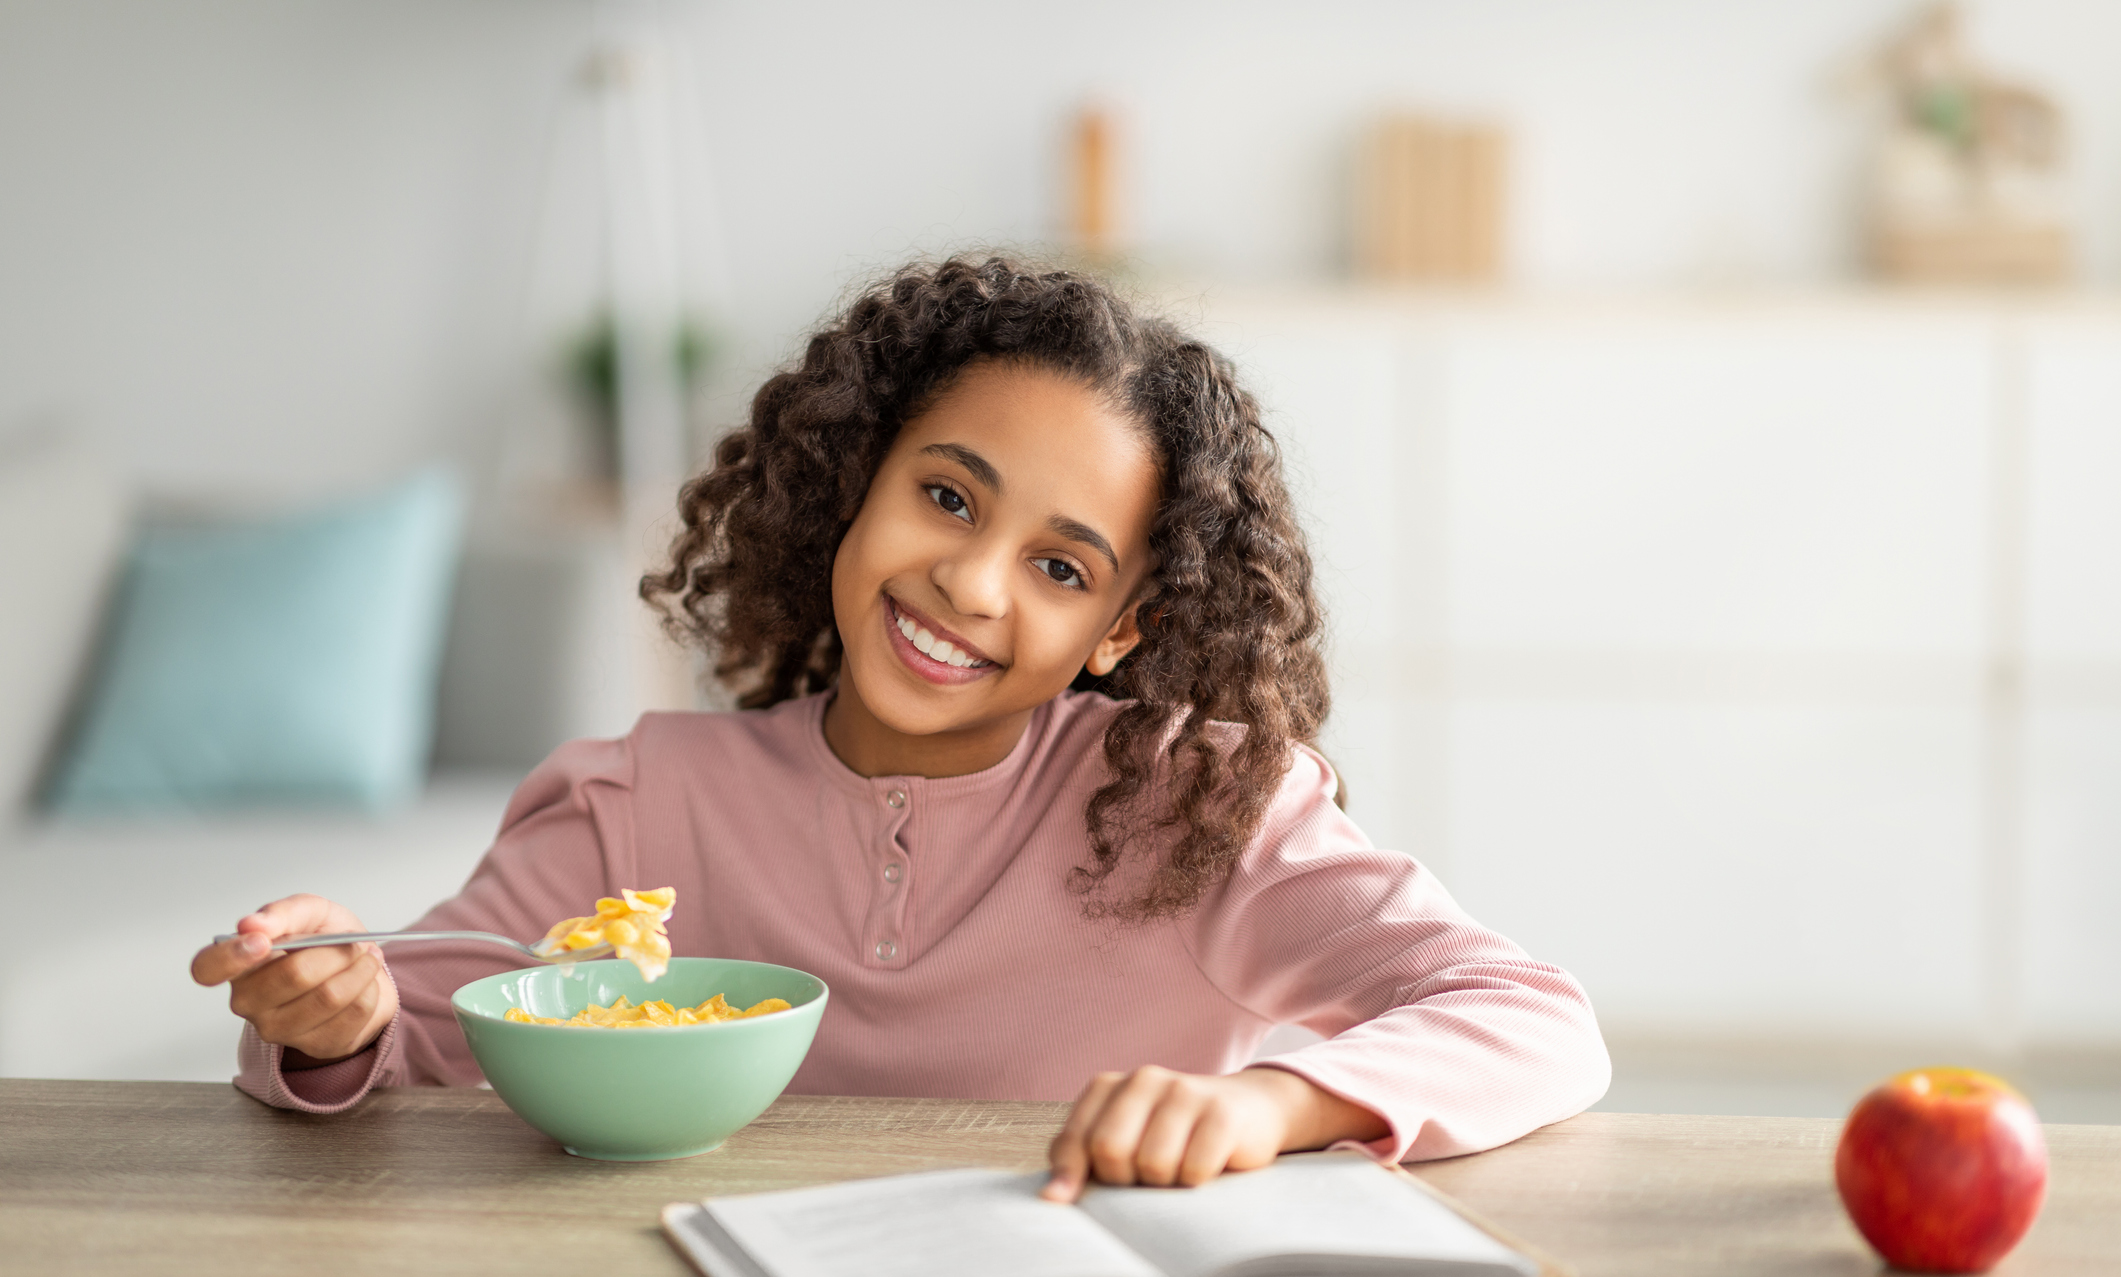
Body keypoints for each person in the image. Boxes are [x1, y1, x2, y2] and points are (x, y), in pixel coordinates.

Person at [191, 254, 1609, 1201]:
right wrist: (329, 1016)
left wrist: (1272, 1105)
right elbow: (424, 1027)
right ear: (855, 485)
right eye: (945, 496)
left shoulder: (1201, 805)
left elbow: (1531, 1019)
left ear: (1119, 631)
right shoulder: (642, 801)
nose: (968, 583)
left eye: (1059, 568)